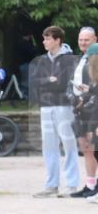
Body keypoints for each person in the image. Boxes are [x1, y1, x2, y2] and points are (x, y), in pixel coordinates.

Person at [30, 26, 80, 197]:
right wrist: (49, 80)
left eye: (48, 38)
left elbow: (63, 83)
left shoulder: (69, 60)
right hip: (46, 106)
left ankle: (72, 184)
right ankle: (51, 184)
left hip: (64, 105)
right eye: (44, 38)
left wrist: (47, 82)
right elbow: (35, 83)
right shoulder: (42, 60)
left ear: (58, 40)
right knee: (49, 145)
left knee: (68, 143)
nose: (44, 42)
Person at [70, 27, 98, 197]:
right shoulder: (80, 59)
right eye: (80, 39)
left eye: (86, 40)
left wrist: (89, 94)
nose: (82, 43)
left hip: (92, 108)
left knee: (94, 147)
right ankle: (90, 184)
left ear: (95, 39)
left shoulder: (94, 58)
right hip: (81, 107)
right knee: (86, 148)